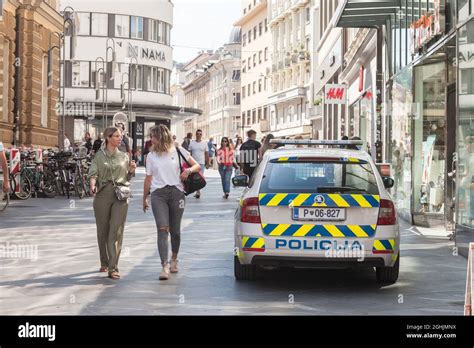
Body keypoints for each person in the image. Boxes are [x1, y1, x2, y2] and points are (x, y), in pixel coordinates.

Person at [143, 125, 201, 281]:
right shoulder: (151, 156)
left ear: (161, 137)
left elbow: (197, 165)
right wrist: (144, 198)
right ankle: (164, 265)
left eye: (153, 136)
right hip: (158, 195)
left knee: (175, 230)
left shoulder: (178, 150)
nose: (151, 139)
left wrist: (187, 171)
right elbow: (148, 178)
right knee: (162, 228)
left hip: (177, 194)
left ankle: (174, 258)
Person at [88, 127, 136, 280]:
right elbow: (93, 173)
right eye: (116, 136)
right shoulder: (99, 156)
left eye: (120, 136)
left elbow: (128, 178)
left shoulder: (124, 156)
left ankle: (113, 267)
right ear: (108, 138)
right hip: (103, 194)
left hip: (121, 195)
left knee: (116, 231)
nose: (120, 138)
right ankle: (104, 261)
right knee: (103, 230)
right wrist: (92, 185)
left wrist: (132, 170)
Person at [188, 129, 209, 199]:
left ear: (201, 135)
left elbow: (206, 154)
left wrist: (207, 163)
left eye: (200, 134)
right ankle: (197, 191)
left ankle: (198, 191)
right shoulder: (192, 143)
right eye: (197, 134)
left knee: (200, 177)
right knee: (194, 177)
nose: (199, 135)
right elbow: (189, 154)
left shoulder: (204, 143)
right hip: (193, 164)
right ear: (195, 135)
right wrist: (188, 163)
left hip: (201, 163)